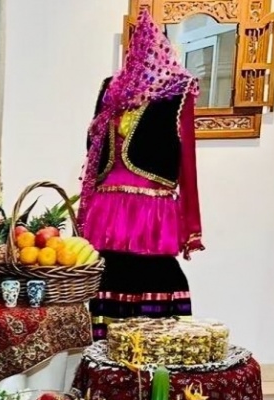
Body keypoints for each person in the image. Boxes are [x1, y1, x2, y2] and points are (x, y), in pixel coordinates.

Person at [77, 10, 204, 340]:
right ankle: (106, 348)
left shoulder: (179, 89)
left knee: (155, 272)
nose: (141, 53)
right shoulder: (111, 88)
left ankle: (157, 346)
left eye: (149, 46)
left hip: (151, 205)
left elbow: (187, 158)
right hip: (107, 202)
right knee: (109, 272)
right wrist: (85, 207)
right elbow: (92, 148)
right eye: (135, 46)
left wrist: (191, 226)